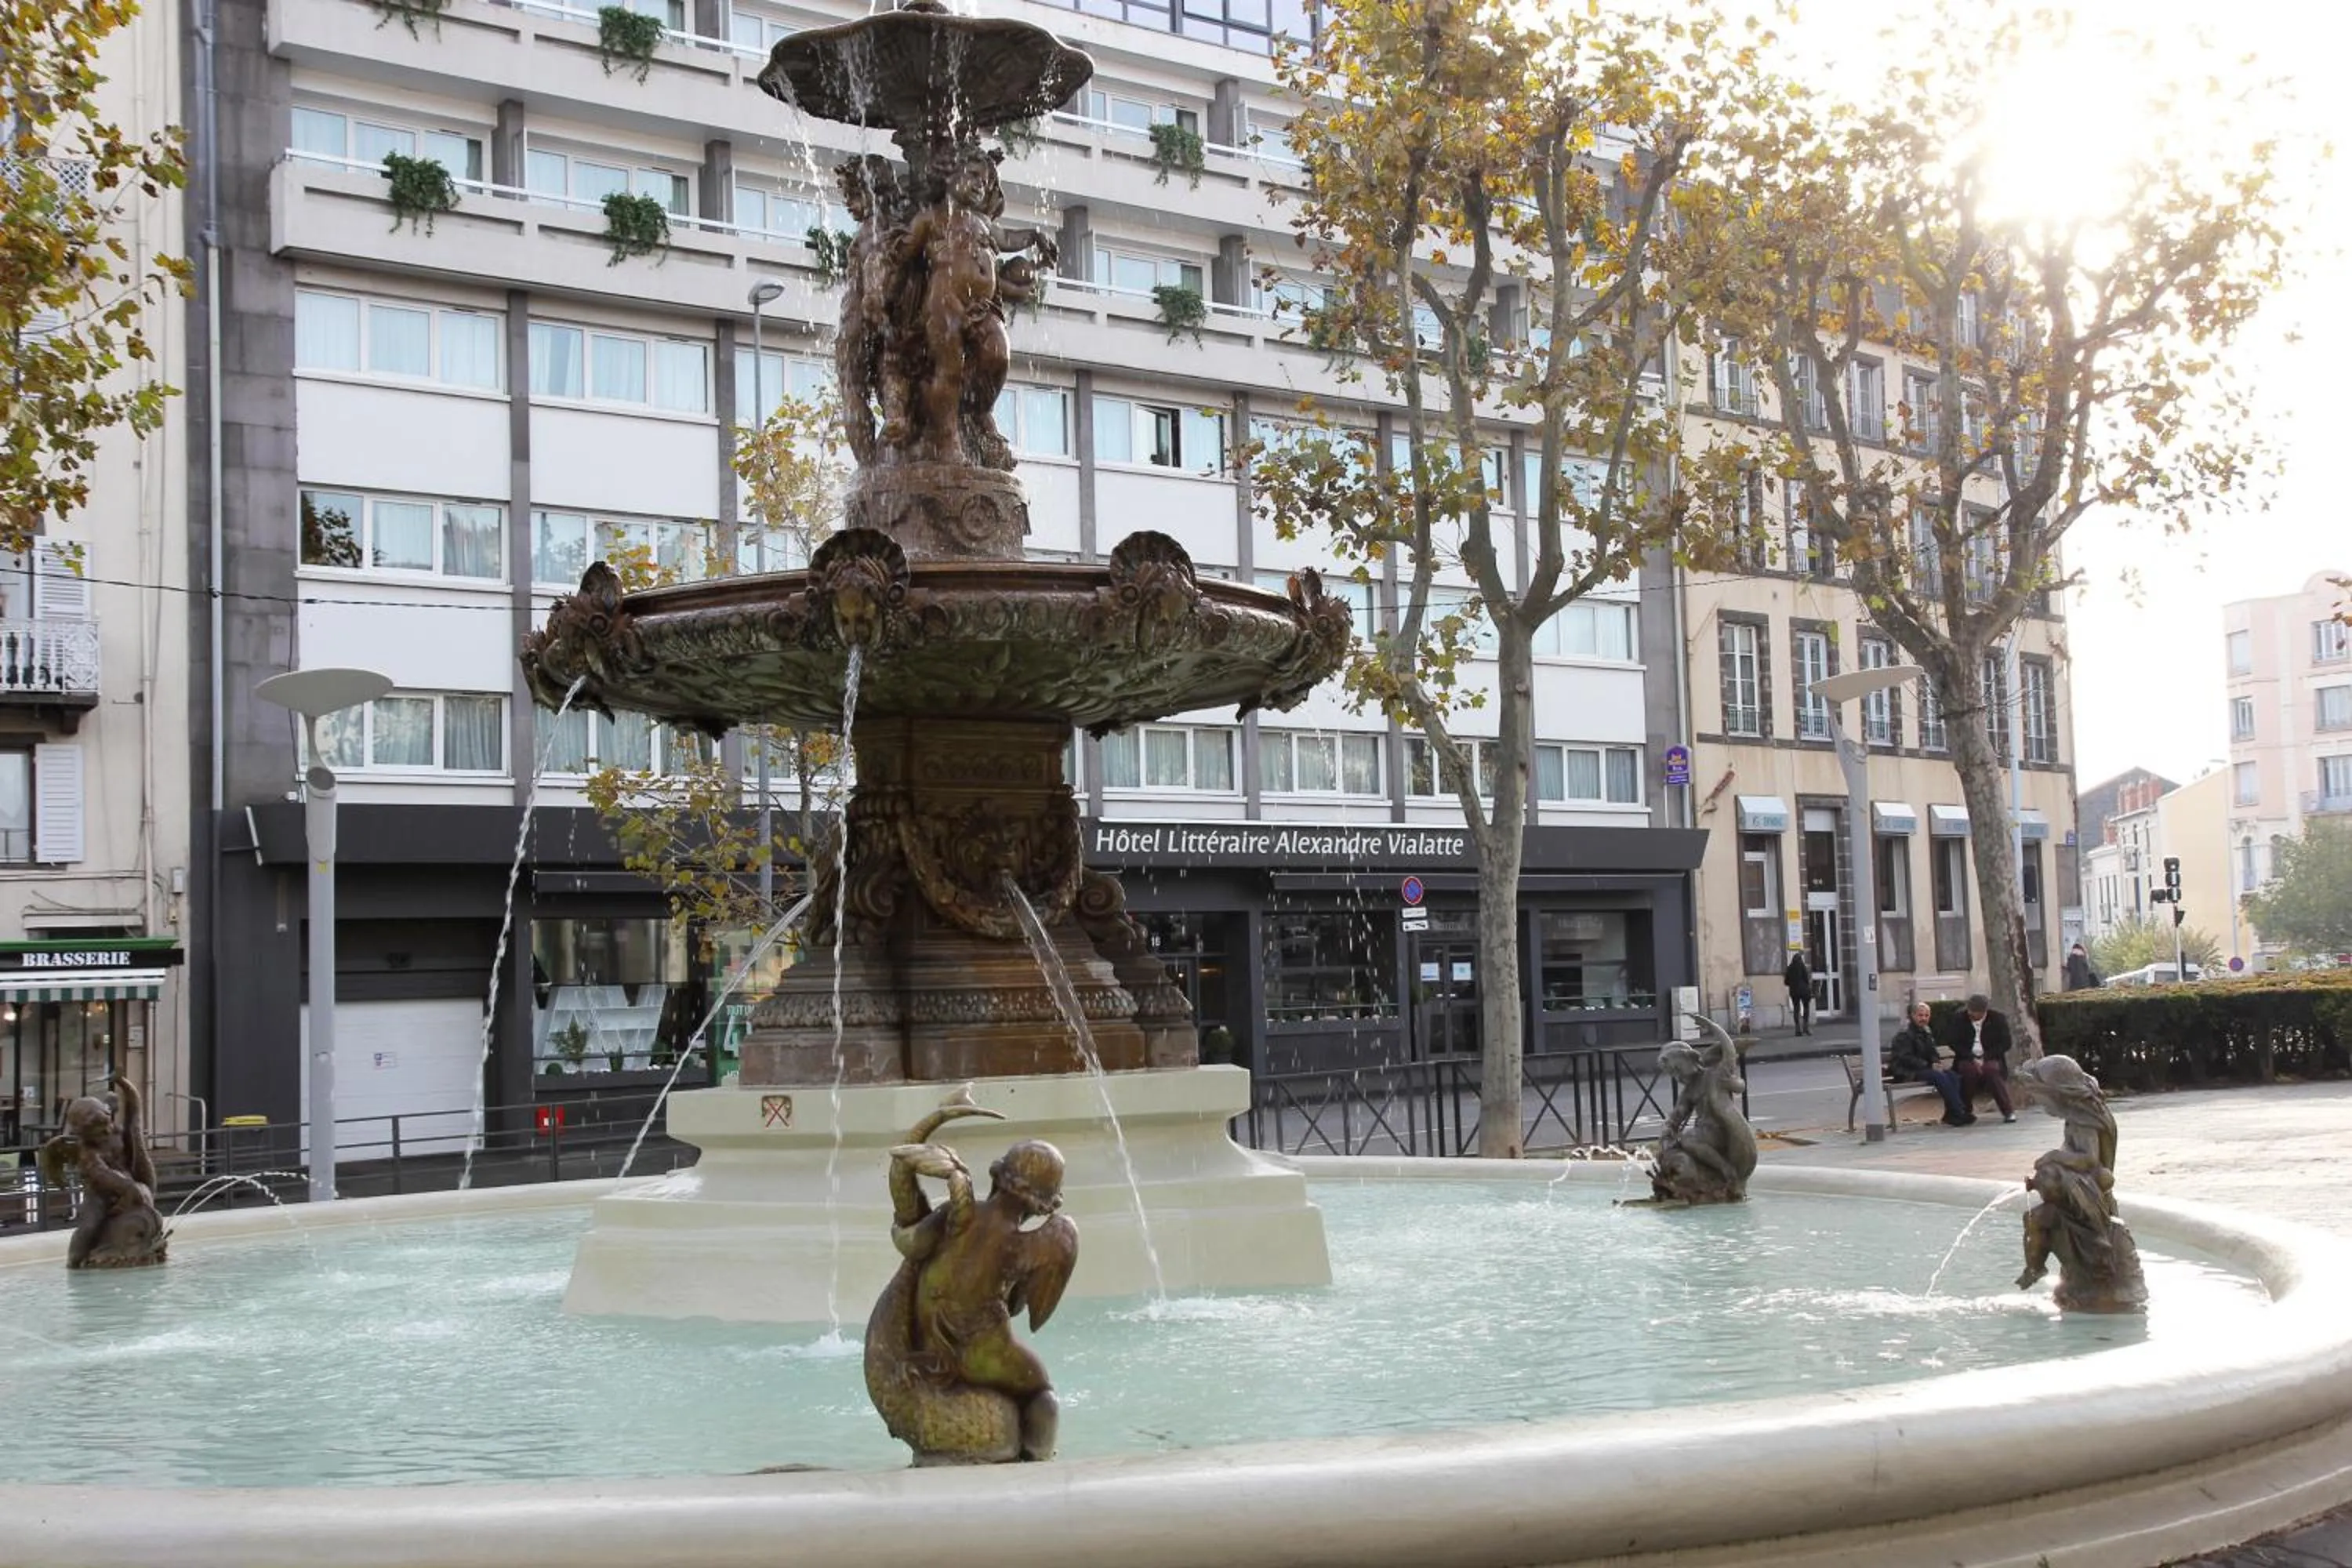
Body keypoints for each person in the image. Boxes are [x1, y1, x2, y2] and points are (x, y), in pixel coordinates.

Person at [1889, 1000, 1972, 1125]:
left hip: (1924, 1069)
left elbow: (1932, 1052)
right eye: (1920, 1015)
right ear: (1912, 1016)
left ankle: (1952, 1114)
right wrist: (1928, 1065)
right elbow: (1905, 1058)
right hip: (1907, 1071)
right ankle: (1960, 1111)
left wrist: (1936, 1062)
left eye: (1926, 1015)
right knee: (1938, 1076)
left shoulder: (1926, 1032)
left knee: (1952, 1076)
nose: (1924, 1018)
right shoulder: (1904, 1035)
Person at [1941, 992, 2017, 1122]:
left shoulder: (1997, 1018)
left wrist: (1986, 1056)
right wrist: (1971, 1057)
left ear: (1984, 1011)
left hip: (1990, 1056)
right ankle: (1965, 1110)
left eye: (1976, 1013)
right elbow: (1954, 1042)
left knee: (1992, 1070)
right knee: (1968, 1072)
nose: (1972, 1015)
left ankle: (2007, 1110)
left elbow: (2006, 1043)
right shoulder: (1959, 1019)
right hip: (1967, 1057)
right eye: (1970, 1012)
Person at [1784, 949, 1813, 1036]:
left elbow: (1786, 982)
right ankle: (1806, 1027)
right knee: (1806, 1008)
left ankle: (1798, 1029)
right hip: (1804, 991)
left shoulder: (1790, 968)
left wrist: (1792, 983)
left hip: (1794, 992)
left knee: (1796, 1009)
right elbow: (1806, 979)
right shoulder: (1802, 966)